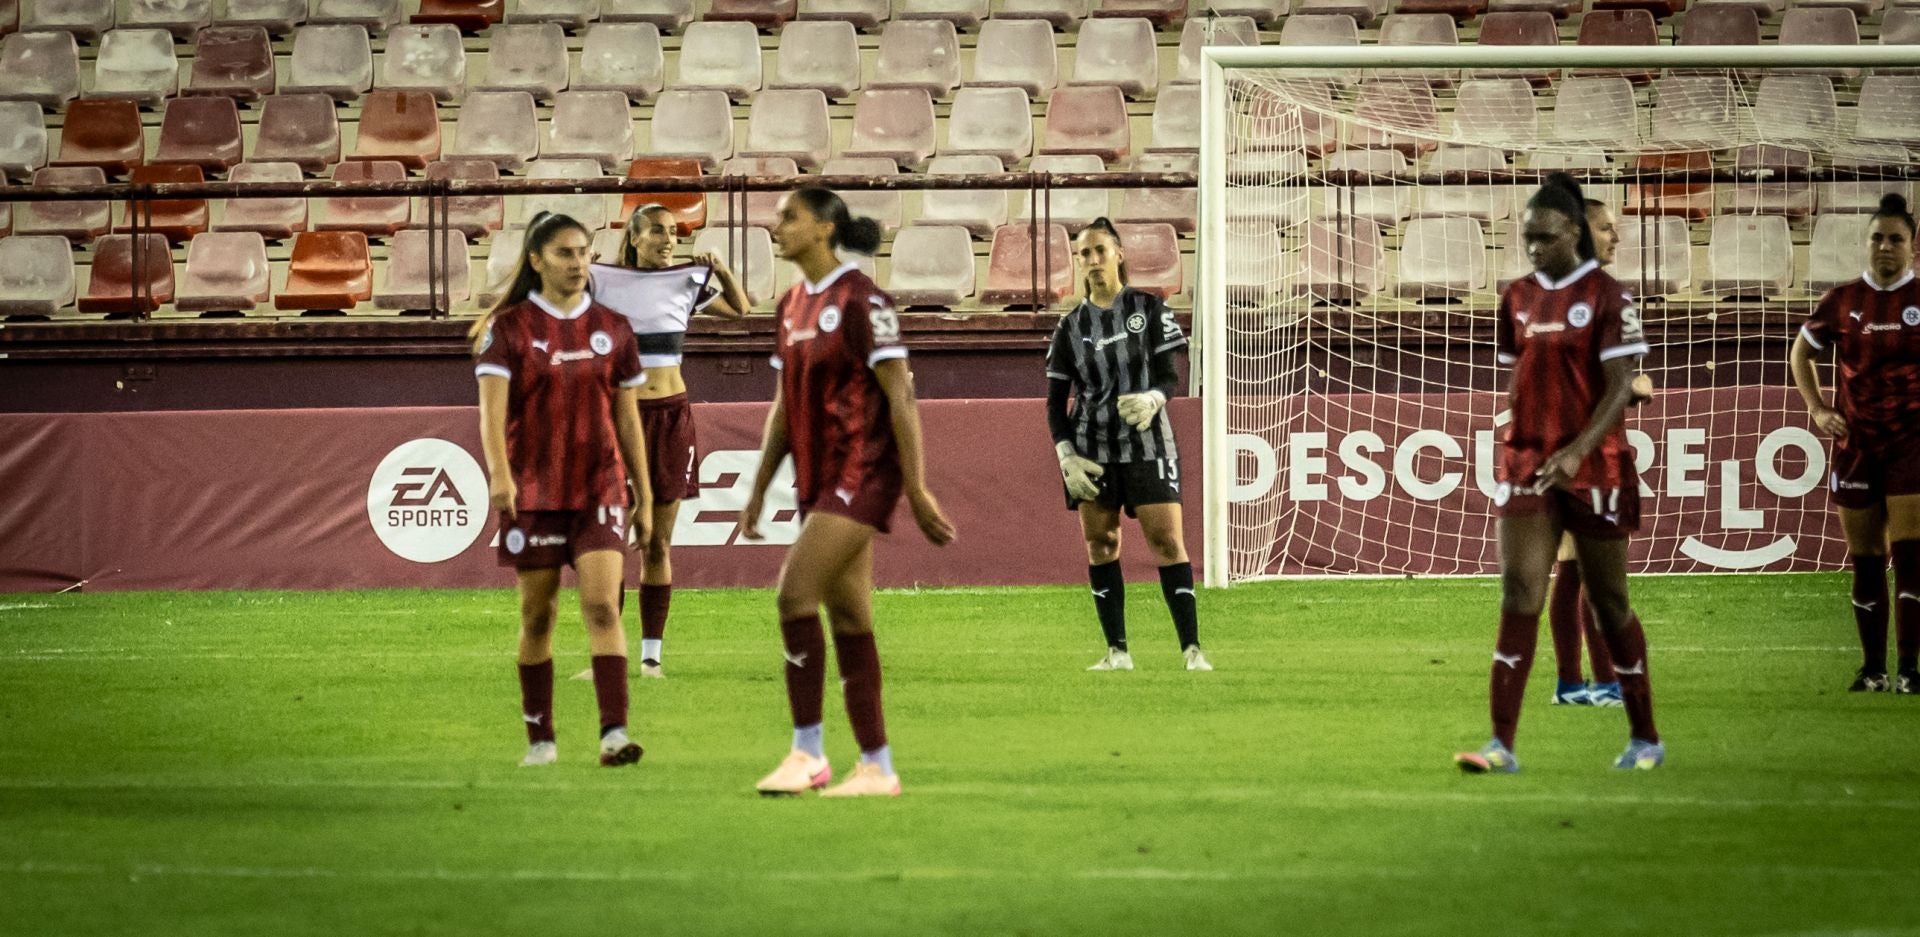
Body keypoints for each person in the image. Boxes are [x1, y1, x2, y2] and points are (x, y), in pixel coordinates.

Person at [739, 187, 957, 797]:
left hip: (864, 472)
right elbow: (784, 406)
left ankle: (807, 753)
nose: (777, 226)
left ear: (825, 228)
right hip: (818, 479)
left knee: (793, 596)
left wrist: (916, 487)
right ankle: (877, 766)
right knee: (851, 618)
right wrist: (759, 488)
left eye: (790, 217)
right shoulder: (789, 305)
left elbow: (900, 394)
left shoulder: (864, 301)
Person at [1455, 173, 1664, 774]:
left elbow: (1622, 385)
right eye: (1527, 238)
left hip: (1594, 465)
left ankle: (1645, 736)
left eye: (1545, 237)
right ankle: (1501, 744)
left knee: (1610, 603)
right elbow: (1519, 373)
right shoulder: (1516, 297)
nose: (1534, 248)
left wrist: (1577, 449)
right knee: (1519, 592)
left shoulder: (1608, 296)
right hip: (1528, 462)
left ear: (1572, 232)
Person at [472, 211, 654, 768]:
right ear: (536, 260)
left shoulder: (614, 328)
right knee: (538, 617)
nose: (578, 264)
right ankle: (541, 739)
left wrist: (644, 493)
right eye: (565, 253)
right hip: (534, 492)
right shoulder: (508, 329)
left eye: (584, 252)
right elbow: (491, 414)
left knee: (602, 605)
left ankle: (614, 735)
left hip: (601, 487)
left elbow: (628, 418)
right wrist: (500, 474)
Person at [588, 203, 750, 679]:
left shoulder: (686, 280)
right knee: (609, 542)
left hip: (672, 416)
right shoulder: (603, 281)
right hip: (620, 419)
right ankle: (609, 655)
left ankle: (651, 658)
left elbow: (740, 309)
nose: (668, 241)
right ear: (634, 237)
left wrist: (722, 271)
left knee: (658, 542)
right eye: (658, 232)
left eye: (674, 233)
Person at [1047, 217, 1211, 673]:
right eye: (1084, 253)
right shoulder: (1069, 327)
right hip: (1092, 448)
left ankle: (1192, 650)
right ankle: (1117, 652)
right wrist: (1066, 455)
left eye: (1100, 250)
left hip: (1148, 444)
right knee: (1101, 544)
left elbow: (1170, 376)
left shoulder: (1150, 308)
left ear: (1118, 254)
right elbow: (1055, 403)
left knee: (1167, 541)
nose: (1093, 260)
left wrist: (1154, 398)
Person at [1790, 193, 1920, 695]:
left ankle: (1910, 669)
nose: (1885, 247)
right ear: (1866, 243)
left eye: (1895, 239)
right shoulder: (1842, 301)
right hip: (1857, 446)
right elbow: (1801, 354)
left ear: (1912, 247)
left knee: (1911, 559)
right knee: (1865, 560)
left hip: (1911, 446)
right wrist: (1818, 409)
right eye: (1877, 238)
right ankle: (1873, 670)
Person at [1543, 198, 1647, 708]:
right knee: (1594, 572)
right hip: (1584, 450)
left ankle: (1575, 683)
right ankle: (1603, 683)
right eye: (1606, 228)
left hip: (1573, 446)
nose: (1616, 237)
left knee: (1576, 567)